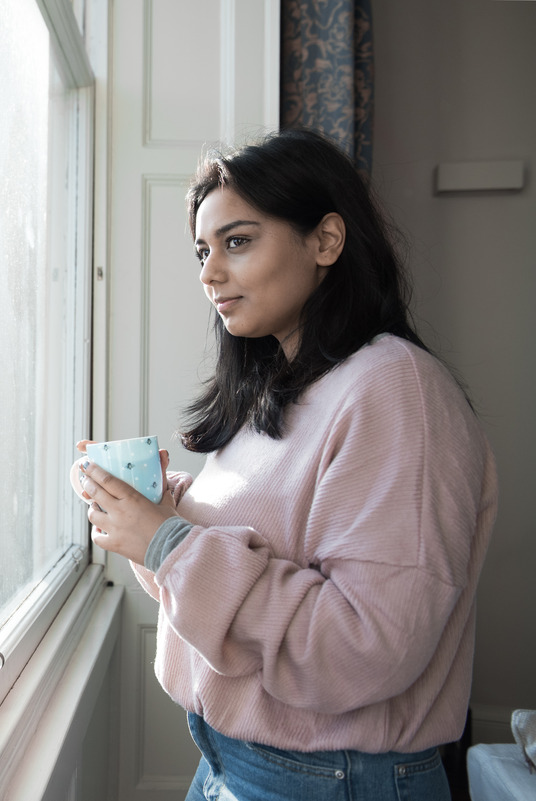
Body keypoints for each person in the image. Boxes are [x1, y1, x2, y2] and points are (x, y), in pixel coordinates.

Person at [72, 128, 497, 801]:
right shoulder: (282, 388)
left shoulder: (396, 390)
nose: (210, 273)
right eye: (202, 250)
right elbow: (256, 554)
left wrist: (167, 540)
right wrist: (155, 509)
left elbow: (369, 646)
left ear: (326, 241)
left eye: (237, 242)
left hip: (333, 780)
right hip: (233, 763)